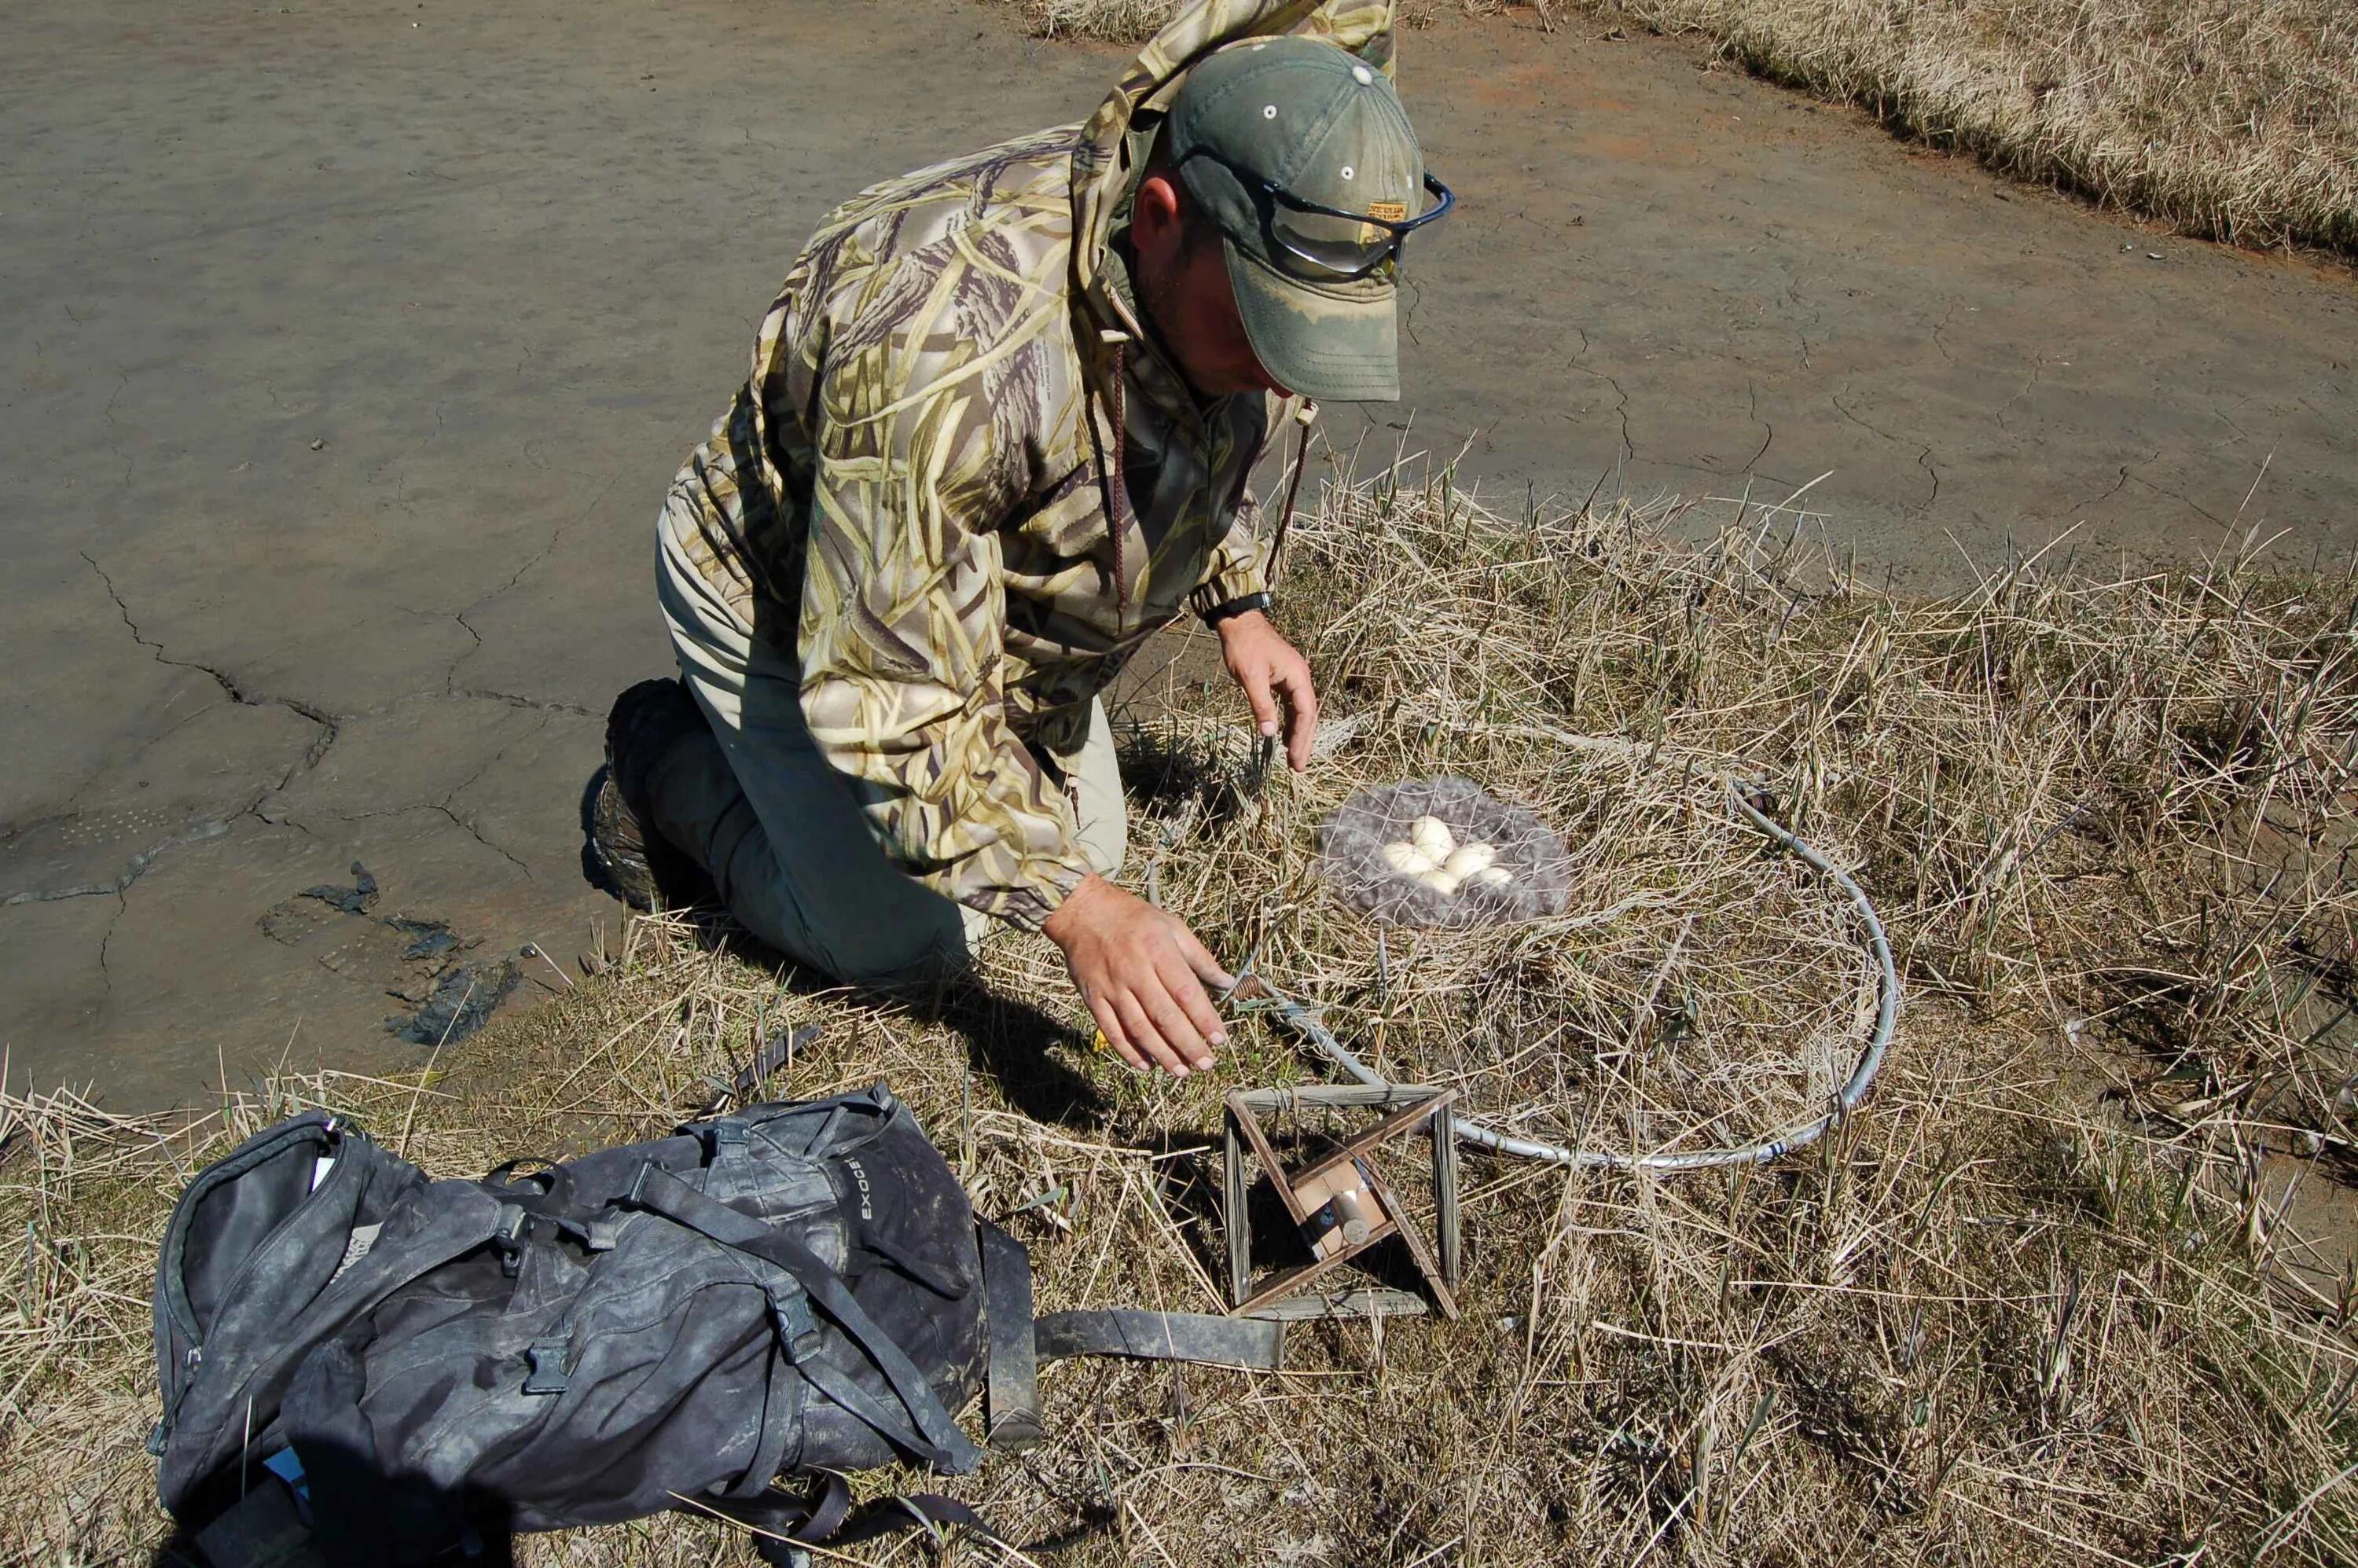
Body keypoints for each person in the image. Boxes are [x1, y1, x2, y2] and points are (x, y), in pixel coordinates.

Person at [590, 0, 1449, 1079]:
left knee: (1089, 848)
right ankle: (660, 764)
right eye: (1264, 328)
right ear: (1159, 216)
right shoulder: (940, 348)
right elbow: (889, 700)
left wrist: (1237, 600)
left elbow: (1202, 421)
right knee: (907, 945)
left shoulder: (1236, 252)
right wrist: (1082, 914)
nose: (1285, 371)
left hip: (974, 591)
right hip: (789, 593)